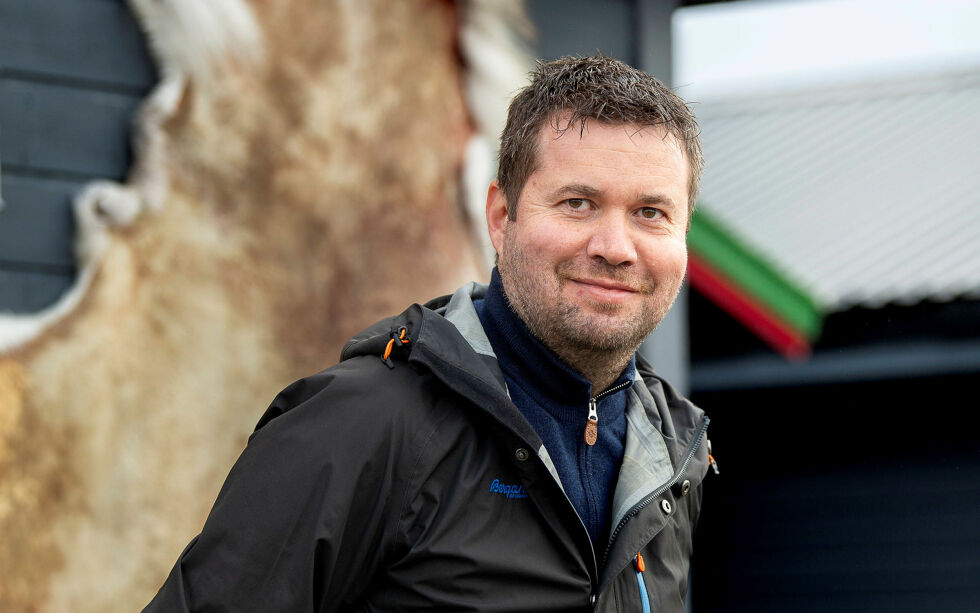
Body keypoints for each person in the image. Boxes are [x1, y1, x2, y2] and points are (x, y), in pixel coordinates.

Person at [145, 54, 712, 612]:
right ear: (500, 215)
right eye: (578, 203)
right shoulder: (363, 424)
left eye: (650, 213)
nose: (614, 248)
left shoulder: (670, 457)